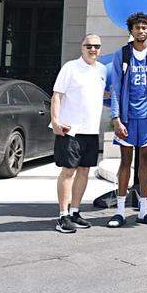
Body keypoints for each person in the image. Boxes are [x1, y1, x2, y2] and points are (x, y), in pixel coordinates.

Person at [106, 13, 147, 228]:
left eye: (144, 27)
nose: (141, 31)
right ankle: (121, 211)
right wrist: (115, 118)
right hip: (127, 117)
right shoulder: (122, 54)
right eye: (137, 27)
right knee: (125, 162)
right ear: (131, 31)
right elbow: (114, 88)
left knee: (145, 162)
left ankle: (143, 210)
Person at [50, 34, 108, 233]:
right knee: (68, 171)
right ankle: (63, 215)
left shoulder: (102, 70)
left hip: (91, 130)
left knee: (84, 171)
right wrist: (56, 121)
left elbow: (101, 94)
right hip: (70, 129)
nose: (93, 49)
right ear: (82, 47)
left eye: (97, 46)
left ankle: (75, 211)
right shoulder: (70, 67)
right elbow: (57, 95)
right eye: (89, 46)